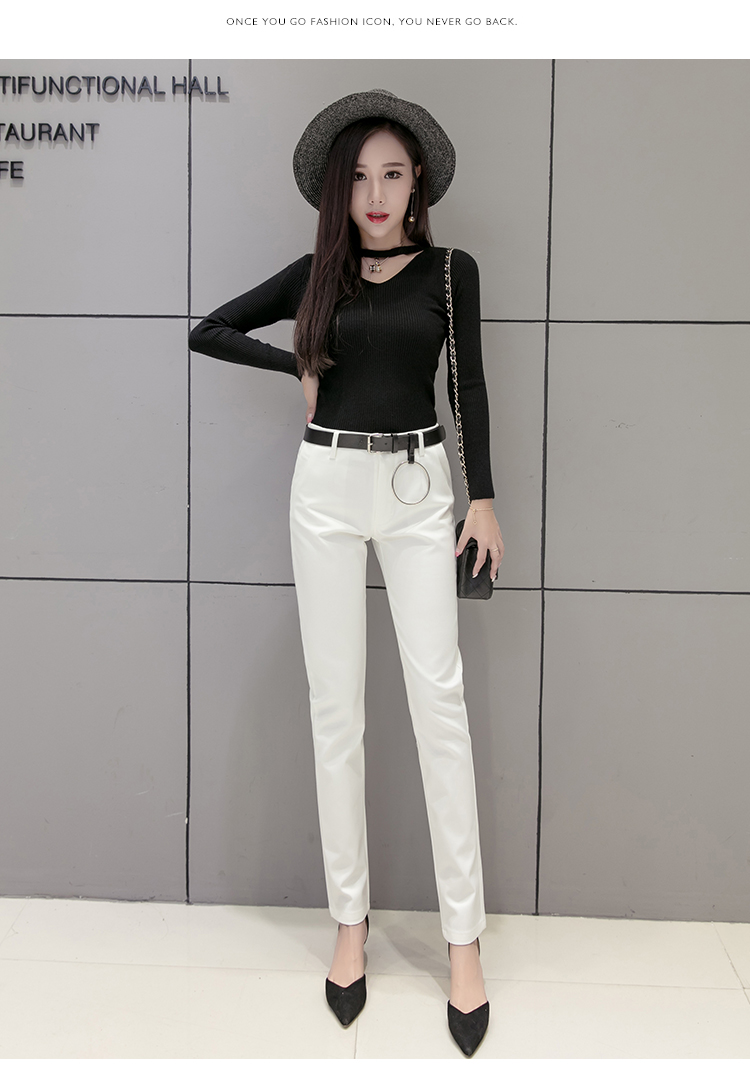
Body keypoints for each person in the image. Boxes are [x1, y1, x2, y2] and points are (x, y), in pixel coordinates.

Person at [189, 88, 504, 1058]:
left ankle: (462, 942)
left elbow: (467, 384)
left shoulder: (449, 271)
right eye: (360, 176)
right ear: (340, 189)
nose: (375, 193)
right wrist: (297, 365)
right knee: (337, 712)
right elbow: (209, 328)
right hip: (325, 485)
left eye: (392, 174)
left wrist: (482, 498)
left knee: (439, 706)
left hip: (418, 487)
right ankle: (350, 926)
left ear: (417, 185)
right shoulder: (317, 275)